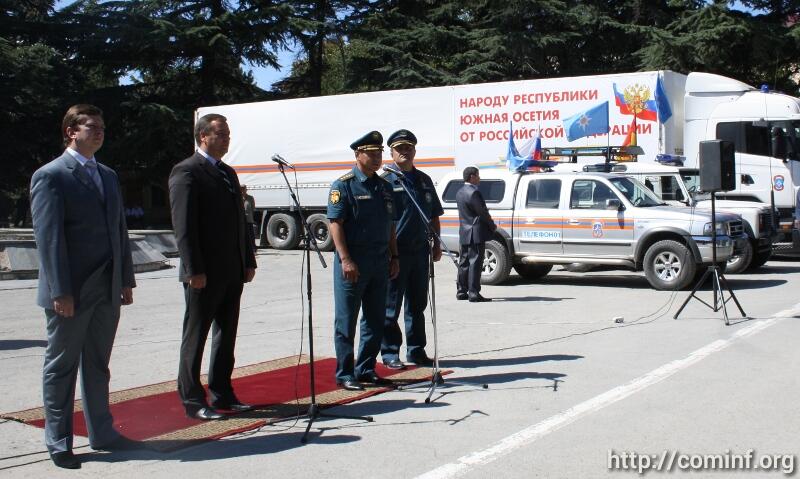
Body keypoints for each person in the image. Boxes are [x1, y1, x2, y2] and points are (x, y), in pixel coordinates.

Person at [30, 104, 137, 469]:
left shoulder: (107, 175)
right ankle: (59, 442)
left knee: (97, 364)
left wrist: (125, 279)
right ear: (71, 132)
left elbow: (119, 230)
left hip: (107, 287)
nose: (99, 131)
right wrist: (60, 291)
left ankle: (102, 433)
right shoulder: (51, 176)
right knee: (61, 367)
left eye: (102, 126)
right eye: (92, 126)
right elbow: (49, 239)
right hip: (71, 292)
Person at [169, 113, 257, 421]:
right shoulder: (187, 170)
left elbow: (240, 221)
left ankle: (223, 392)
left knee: (226, 336)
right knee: (195, 337)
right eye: (221, 134)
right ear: (203, 136)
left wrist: (248, 259)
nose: (226, 139)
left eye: (228, 134)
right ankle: (193, 399)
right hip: (203, 273)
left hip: (231, 269)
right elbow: (184, 226)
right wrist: (193, 269)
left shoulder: (227, 172)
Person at [327, 130, 400, 391]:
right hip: (354, 262)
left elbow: (390, 226)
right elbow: (335, 223)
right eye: (371, 153)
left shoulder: (385, 187)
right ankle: (345, 373)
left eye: (379, 153)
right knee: (346, 320)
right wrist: (345, 259)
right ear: (358, 155)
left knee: (375, 318)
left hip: (379, 261)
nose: (377, 157)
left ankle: (366, 368)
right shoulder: (343, 185)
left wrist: (394, 256)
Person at [380, 129, 443, 369]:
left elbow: (434, 214)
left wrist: (436, 243)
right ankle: (390, 353)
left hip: (419, 251)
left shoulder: (423, 180)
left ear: (415, 150)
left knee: (417, 305)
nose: (405, 152)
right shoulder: (385, 181)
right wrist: (390, 253)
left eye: (408, 147)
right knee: (390, 306)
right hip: (396, 252)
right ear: (391, 152)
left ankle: (416, 350)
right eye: (400, 148)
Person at [455, 166, 497, 302]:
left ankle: (461, 291)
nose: (479, 178)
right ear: (472, 177)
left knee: (464, 262)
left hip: (464, 232)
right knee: (475, 263)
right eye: (478, 175)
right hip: (475, 232)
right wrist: (492, 225)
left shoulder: (460, 192)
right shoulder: (474, 192)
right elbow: (482, 212)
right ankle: (473, 293)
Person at [241, 185, 257, 249]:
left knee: (251, 234)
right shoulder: (239, 198)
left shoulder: (250, 198)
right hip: (241, 220)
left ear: (246, 190)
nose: (242, 191)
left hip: (249, 219)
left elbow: (253, 208)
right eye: (241, 189)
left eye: (243, 189)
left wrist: (249, 215)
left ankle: (253, 247)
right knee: (243, 234)